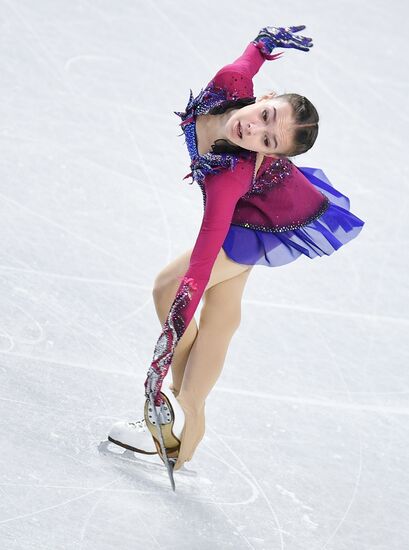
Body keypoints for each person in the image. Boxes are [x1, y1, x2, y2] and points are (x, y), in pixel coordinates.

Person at [108, 25, 364, 472]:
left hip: (262, 220)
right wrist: (265, 41)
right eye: (267, 116)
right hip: (254, 204)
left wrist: (168, 341)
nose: (254, 129)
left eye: (268, 141)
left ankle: (176, 407)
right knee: (219, 308)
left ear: (273, 156)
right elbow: (252, 54)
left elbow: (203, 258)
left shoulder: (231, 173)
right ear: (264, 97)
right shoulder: (227, 86)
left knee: (169, 288)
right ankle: (186, 425)